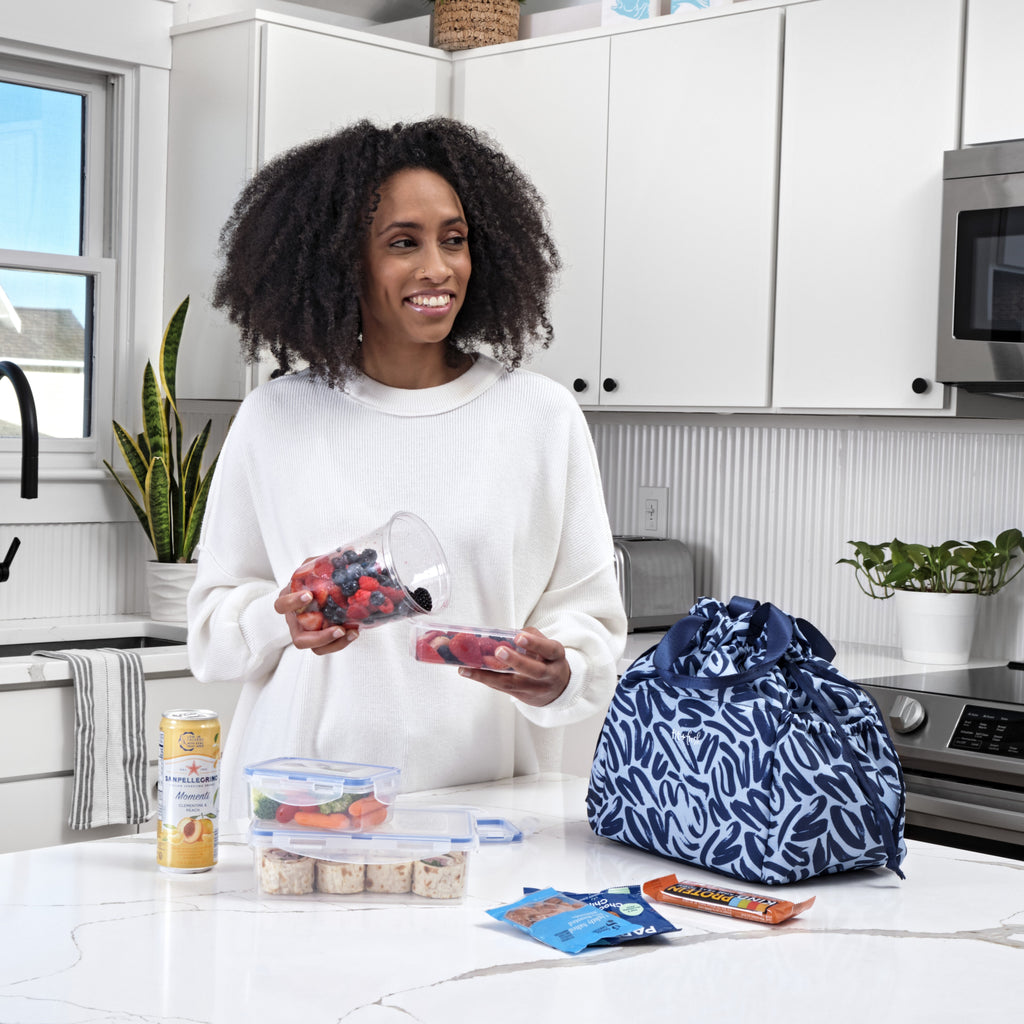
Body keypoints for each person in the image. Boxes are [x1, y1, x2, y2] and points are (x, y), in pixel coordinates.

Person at [186, 117, 627, 818]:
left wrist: (563, 673)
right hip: (304, 802)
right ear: (340, 262)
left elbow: (590, 620)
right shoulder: (276, 417)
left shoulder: (540, 416)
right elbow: (210, 632)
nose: (437, 268)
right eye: (403, 243)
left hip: (481, 807)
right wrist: (283, 620)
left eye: (454, 240)